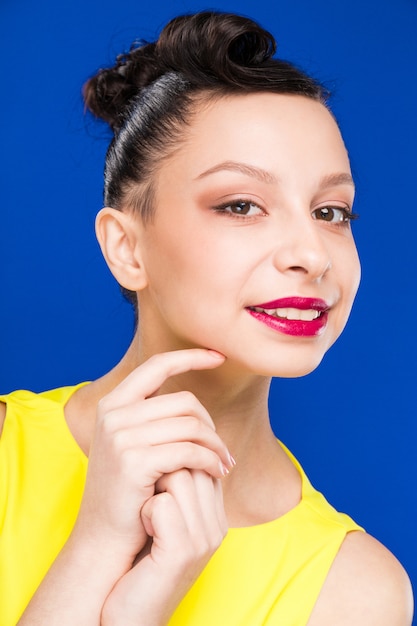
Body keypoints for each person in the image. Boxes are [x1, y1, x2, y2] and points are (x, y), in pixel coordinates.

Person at [0, 10, 413, 626]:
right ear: (126, 248)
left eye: (332, 212)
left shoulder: (355, 592)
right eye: (241, 205)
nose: (310, 254)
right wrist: (97, 547)